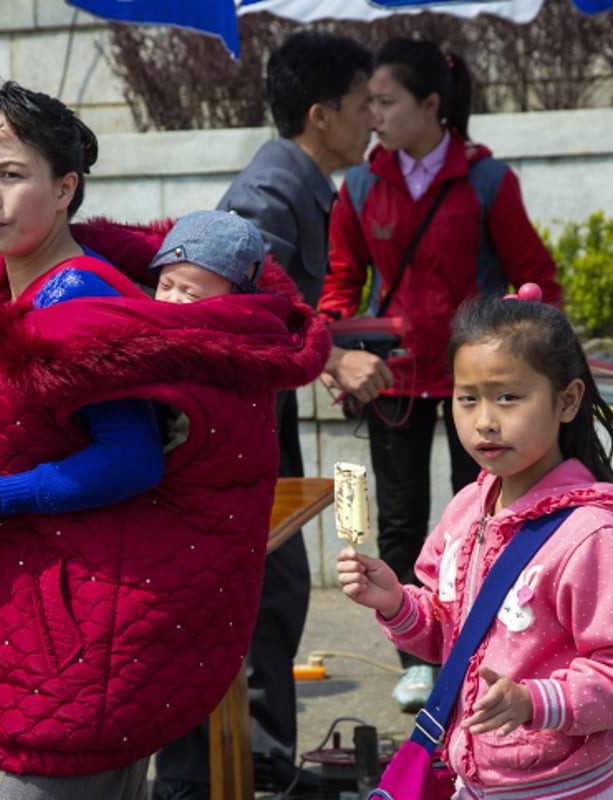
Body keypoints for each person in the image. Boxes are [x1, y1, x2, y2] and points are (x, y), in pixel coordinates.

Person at [0, 79, 330, 800]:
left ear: (65, 189)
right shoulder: (14, 290)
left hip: (87, 623)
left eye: (11, 175)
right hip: (55, 606)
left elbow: (131, 458)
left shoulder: (80, 299)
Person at [151, 31, 388, 800]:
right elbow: (242, 311)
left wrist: (338, 344)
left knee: (272, 590)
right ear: (321, 116)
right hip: (222, 443)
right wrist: (330, 358)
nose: (373, 121)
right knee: (260, 594)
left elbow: (281, 309)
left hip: (254, 425)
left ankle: (256, 760)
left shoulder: (296, 183)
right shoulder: (270, 191)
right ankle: (244, 764)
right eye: (362, 105)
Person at [337, 290, 613, 800]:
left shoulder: (592, 534)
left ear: (568, 400)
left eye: (508, 397)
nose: (484, 420)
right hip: (472, 782)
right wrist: (396, 603)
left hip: (565, 788)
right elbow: (448, 634)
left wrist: (536, 700)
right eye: (468, 398)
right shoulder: (467, 507)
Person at [318, 37, 561, 713]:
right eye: (367, 102)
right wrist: (338, 335)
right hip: (392, 380)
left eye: (386, 102)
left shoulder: (487, 180)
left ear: (431, 105)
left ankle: (480, 648)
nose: (372, 115)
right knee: (398, 525)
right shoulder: (361, 185)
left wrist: (523, 335)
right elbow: (342, 279)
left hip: (475, 385)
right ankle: (418, 660)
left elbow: (536, 274)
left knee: (484, 517)